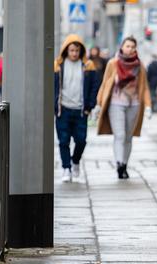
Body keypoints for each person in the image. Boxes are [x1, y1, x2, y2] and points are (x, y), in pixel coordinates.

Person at [96, 36, 152, 179]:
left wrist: (148, 106)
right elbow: (105, 83)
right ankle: (119, 164)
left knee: (128, 137)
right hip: (116, 104)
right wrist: (99, 103)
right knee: (119, 135)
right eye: (128, 46)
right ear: (122, 47)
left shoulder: (139, 66)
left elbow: (144, 87)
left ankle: (125, 164)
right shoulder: (113, 63)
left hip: (134, 104)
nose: (130, 49)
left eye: (133, 47)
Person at [54, 34, 100, 182]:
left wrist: (90, 106)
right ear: (66, 50)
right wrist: (54, 106)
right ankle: (66, 168)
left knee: (81, 140)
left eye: (77, 50)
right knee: (63, 141)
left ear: (81, 51)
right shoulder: (57, 65)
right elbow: (51, 86)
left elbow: (94, 86)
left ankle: (75, 161)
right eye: (71, 50)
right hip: (63, 109)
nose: (74, 53)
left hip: (81, 110)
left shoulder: (88, 66)